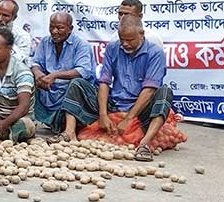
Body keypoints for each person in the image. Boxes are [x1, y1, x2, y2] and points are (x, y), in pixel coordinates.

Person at [60, 17, 172, 162]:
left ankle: (144, 144)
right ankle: (69, 133)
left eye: (130, 40)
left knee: (164, 92)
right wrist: (103, 114)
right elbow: (104, 82)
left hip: (140, 108)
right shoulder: (113, 47)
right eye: (122, 39)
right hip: (114, 103)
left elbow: (149, 90)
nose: (125, 44)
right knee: (77, 84)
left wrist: (129, 118)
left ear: (141, 34)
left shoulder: (155, 53)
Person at [28, 11, 96, 133]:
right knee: (28, 77)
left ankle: (70, 131)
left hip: (73, 92)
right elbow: (35, 63)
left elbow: (83, 71)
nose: (54, 31)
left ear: (70, 29)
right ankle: (28, 122)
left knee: (76, 83)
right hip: (50, 88)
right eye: (51, 27)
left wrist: (55, 75)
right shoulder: (45, 42)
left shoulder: (81, 44)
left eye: (59, 28)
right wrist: (39, 74)